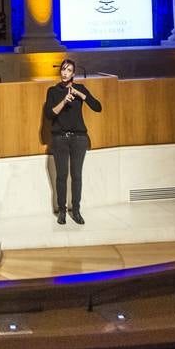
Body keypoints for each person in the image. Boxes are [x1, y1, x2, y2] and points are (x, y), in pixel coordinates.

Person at [44, 59, 102, 225]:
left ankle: (75, 210)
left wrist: (80, 95)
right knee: (61, 176)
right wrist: (64, 101)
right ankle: (62, 211)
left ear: (73, 74)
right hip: (60, 138)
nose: (65, 73)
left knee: (76, 176)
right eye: (63, 69)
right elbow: (49, 114)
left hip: (79, 139)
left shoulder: (80, 89)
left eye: (69, 70)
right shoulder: (53, 91)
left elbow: (97, 107)